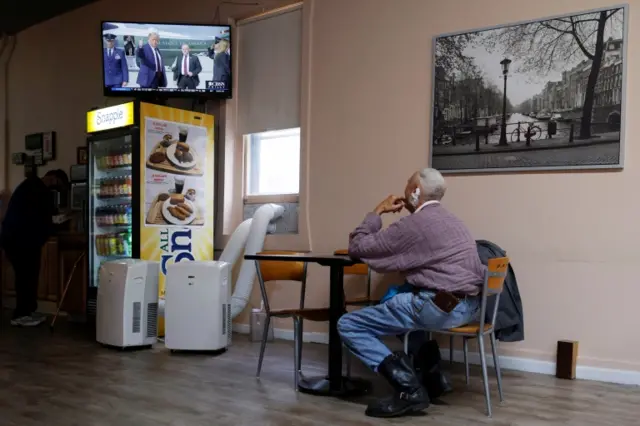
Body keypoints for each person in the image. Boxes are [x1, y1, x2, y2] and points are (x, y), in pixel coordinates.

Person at [338, 168, 486, 418]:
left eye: (408, 183)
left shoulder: (413, 226)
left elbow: (358, 246)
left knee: (348, 324)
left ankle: (409, 388)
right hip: (468, 308)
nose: (405, 187)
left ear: (415, 190)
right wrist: (412, 210)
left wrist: (378, 211)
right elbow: (423, 240)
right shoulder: (453, 221)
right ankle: (432, 377)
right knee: (402, 307)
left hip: (437, 309)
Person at [1, 170, 68, 327]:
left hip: (14, 238)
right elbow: (46, 217)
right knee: (26, 276)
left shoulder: (29, 185)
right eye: (58, 185)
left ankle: (27, 311)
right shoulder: (39, 190)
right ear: (53, 179)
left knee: (26, 275)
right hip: (21, 240)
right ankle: (21, 314)